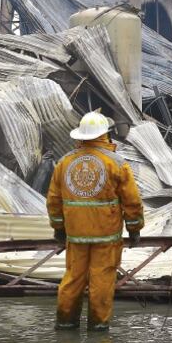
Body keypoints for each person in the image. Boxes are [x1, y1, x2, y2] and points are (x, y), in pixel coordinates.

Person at [47, 111, 143, 330]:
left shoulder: (65, 162)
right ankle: (98, 329)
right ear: (104, 135)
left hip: (76, 235)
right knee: (102, 280)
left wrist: (58, 228)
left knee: (73, 279)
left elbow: (53, 200)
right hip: (106, 236)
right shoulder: (116, 163)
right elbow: (132, 200)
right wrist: (134, 228)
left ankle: (65, 324)